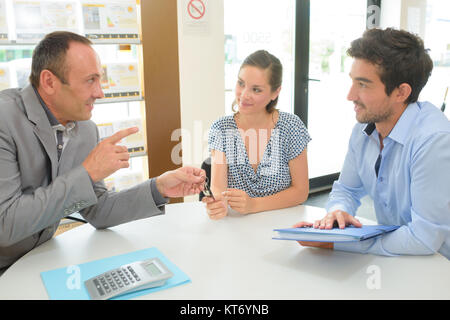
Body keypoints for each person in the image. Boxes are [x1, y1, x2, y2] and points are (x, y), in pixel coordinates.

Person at [0, 31, 206, 270]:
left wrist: (159, 187)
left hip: (37, 261)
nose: (100, 93)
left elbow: (98, 210)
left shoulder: (85, 129)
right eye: (90, 80)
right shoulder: (5, 119)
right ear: (49, 82)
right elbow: (5, 225)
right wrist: (87, 173)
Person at [294, 28, 450, 259]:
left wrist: (339, 243)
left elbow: (423, 239)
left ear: (401, 92)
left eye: (363, 84)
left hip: (438, 268)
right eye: (352, 82)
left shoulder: (433, 141)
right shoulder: (365, 129)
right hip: (398, 258)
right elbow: (346, 189)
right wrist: (338, 213)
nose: (350, 95)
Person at [203, 50, 310, 219]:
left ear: (275, 93)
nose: (244, 95)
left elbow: (301, 192)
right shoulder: (222, 129)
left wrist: (254, 205)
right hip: (238, 228)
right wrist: (217, 205)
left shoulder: (291, 126)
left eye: (256, 90)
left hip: (282, 223)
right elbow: (218, 189)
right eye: (241, 83)